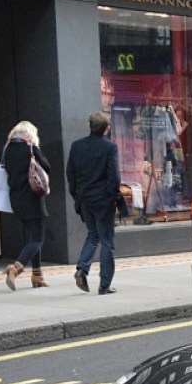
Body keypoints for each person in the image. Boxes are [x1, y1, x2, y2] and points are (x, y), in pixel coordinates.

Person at [66, 111, 125, 294]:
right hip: (103, 200)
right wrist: (115, 196)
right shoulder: (109, 147)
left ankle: (82, 269)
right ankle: (104, 284)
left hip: (85, 199)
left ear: (89, 126)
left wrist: (77, 195)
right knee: (107, 241)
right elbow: (114, 177)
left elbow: (71, 174)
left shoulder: (77, 146)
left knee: (93, 235)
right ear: (107, 128)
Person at [1, 121, 52, 290]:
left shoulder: (7, 150)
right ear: (30, 135)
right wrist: (35, 149)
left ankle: (37, 276)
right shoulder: (30, 148)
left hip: (16, 200)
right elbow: (47, 167)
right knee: (37, 239)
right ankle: (15, 268)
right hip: (33, 199)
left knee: (33, 237)